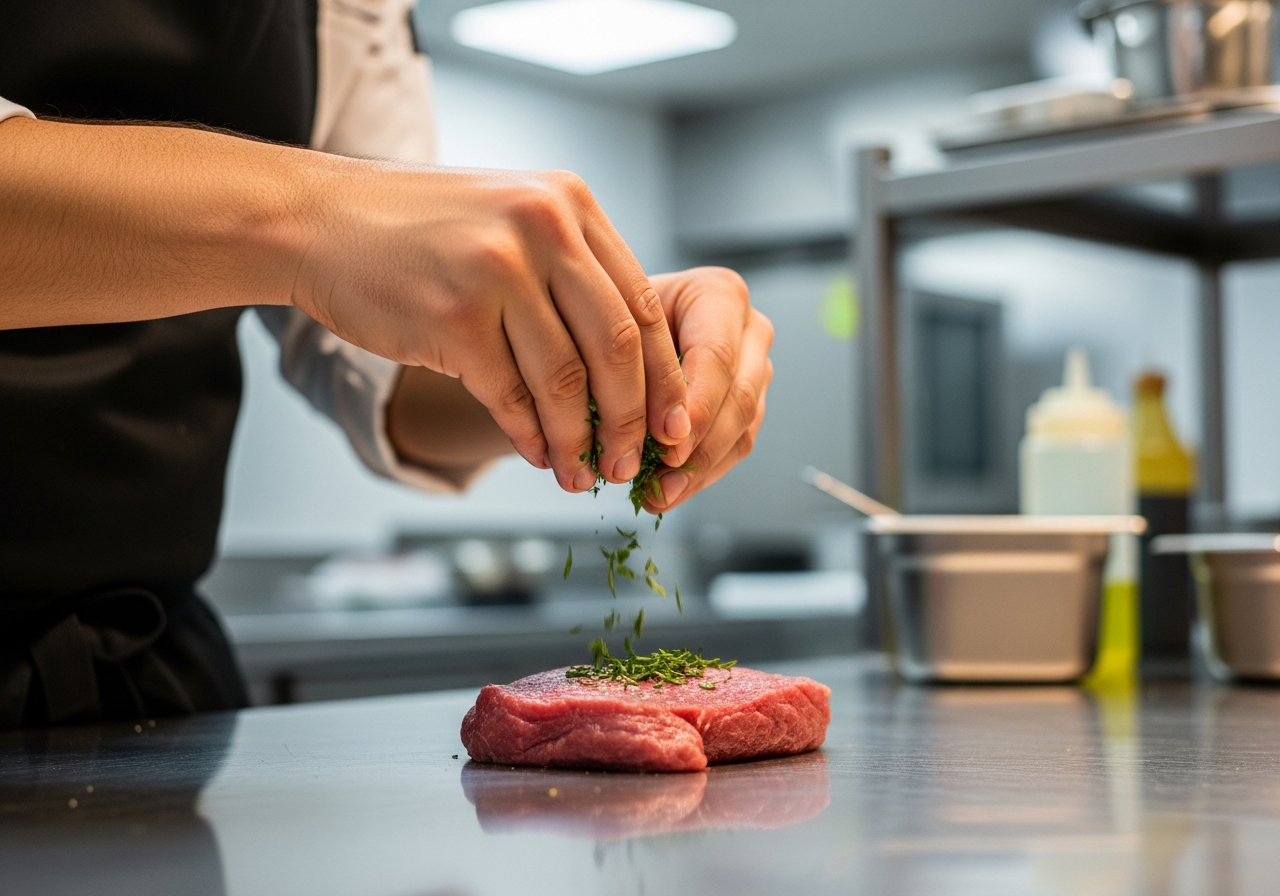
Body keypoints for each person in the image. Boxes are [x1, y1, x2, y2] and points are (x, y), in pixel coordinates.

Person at [0, 0, 773, 729]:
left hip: (143, 668)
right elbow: (336, 230)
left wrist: (597, 350)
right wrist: (310, 217)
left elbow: (386, 363)